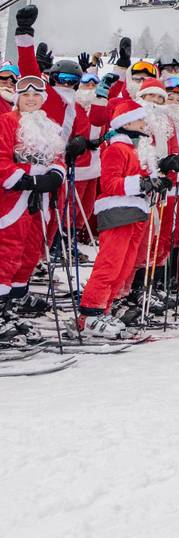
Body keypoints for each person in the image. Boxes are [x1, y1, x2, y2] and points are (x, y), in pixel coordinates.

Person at [78, 97, 166, 338]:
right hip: (117, 212)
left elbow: (143, 178)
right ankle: (89, 315)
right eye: (139, 119)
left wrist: (157, 181)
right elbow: (109, 183)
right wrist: (142, 183)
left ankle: (104, 309)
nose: (144, 123)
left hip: (136, 211)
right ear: (126, 123)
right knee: (110, 264)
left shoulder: (135, 150)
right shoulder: (116, 149)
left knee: (124, 267)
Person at [0, 76, 65, 344]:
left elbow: (58, 157)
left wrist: (55, 174)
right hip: (12, 198)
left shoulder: (48, 125)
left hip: (40, 200)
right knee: (7, 253)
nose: (30, 99)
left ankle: (10, 307)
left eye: (36, 95)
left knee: (28, 254)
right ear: (17, 98)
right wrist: (25, 179)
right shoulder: (6, 122)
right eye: (25, 95)